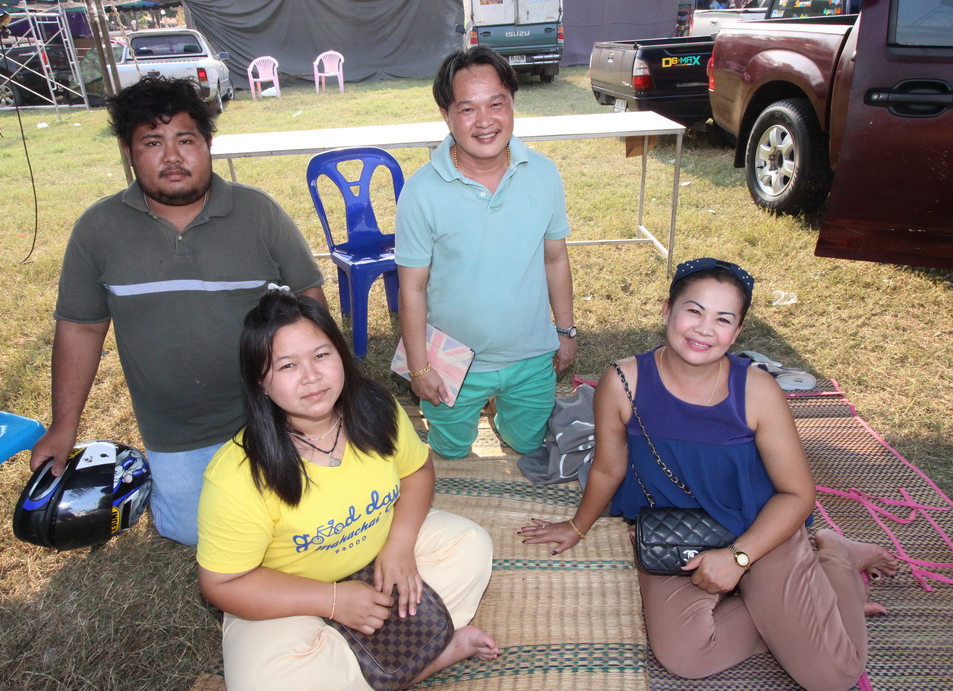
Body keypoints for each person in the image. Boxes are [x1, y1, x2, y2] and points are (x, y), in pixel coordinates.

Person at [519, 258, 897, 690]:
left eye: (723, 319)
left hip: (760, 529)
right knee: (686, 656)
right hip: (676, 533)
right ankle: (801, 614)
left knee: (833, 675)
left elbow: (797, 494)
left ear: (737, 332)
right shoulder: (623, 380)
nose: (703, 329)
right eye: (694, 310)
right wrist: (576, 526)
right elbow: (608, 468)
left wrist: (738, 558)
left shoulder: (757, 391)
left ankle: (834, 556)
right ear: (667, 310)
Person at [29, 77, 326, 546]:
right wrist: (63, 427)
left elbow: (309, 296)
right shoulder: (97, 229)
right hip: (179, 430)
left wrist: (321, 398)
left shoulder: (258, 212)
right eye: (153, 142)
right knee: (197, 534)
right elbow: (81, 329)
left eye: (186, 140)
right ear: (128, 152)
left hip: (273, 411)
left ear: (207, 145)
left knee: (304, 519)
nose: (172, 157)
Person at [196, 290, 499, 689]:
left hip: (380, 562)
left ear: (340, 355)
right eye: (287, 365)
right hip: (292, 600)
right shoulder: (237, 475)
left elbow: (417, 471)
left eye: (321, 355)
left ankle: (367, 664)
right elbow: (223, 583)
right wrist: (334, 600)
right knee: (268, 682)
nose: (311, 376)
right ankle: (425, 656)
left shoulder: (376, 408)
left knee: (470, 545)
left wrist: (400, 544)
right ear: (260, 382)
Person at [395, 46, 577, 461]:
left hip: (532, 354)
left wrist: (566, 332)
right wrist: (420, 368)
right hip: (451, 360)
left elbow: (555, 258)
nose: (485, 121)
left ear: (512, 103)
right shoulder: (421, 192)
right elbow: (412, 288)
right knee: (451, 451)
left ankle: (501, 412)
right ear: (446, 115)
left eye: (497, 104)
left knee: (527, 444)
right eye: (467, 109)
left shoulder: (544, 174)